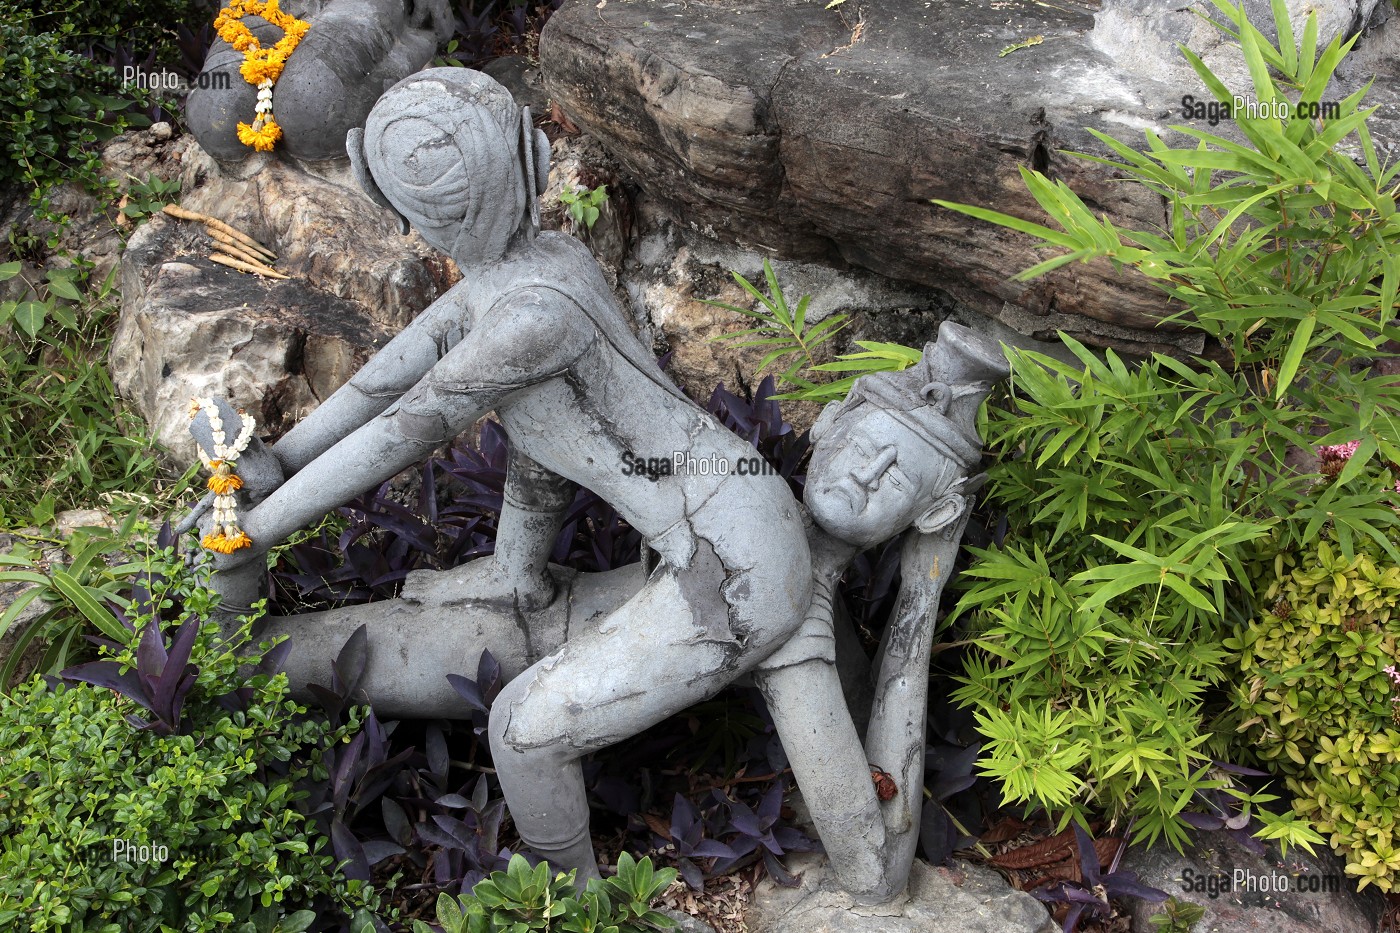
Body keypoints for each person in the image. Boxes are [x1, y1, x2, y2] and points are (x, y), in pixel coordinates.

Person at [200, 68, 813, 884]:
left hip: (732, 560)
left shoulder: (534, 316)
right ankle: (520, 589)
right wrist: (278, 461)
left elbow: (401, 431)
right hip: (710, 525)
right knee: (463, 611)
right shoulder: (528, 268)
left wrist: (259, 530)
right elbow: (383, 384)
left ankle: (583, 903)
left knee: (522, 728)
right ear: (531, 158)